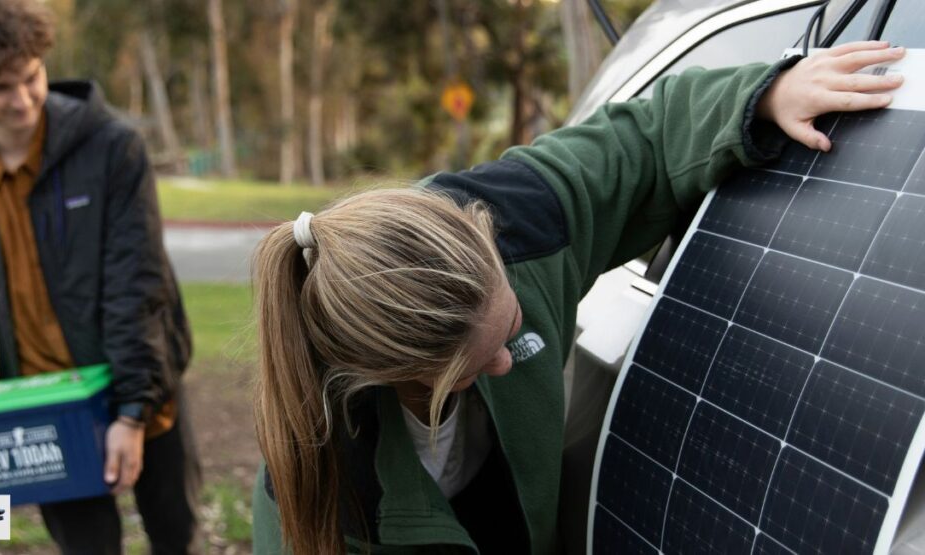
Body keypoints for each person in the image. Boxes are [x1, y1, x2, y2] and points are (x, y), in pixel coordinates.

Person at [250, 41, 906, 554]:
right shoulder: (320, 473)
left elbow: (640, 144)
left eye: (510, 326)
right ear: (397, 373)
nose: (511, 361)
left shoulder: (518, 222)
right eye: (479, 364)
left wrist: (763, 96)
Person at [0, 0, 200, 553]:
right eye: (0, 88)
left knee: (177, 534)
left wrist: (131, 410)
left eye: (31, 78)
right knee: (85, 547)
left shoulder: (114, 147)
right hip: (43, 406)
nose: (23, 99)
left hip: (141, 385)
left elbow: (137, 286)